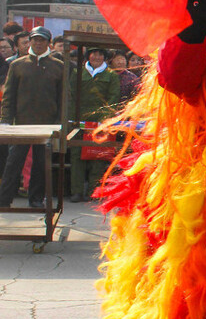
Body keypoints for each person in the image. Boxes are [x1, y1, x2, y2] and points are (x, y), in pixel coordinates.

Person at [0, 26, 64, 208]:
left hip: (47, 125)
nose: (37, 43)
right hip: (21, 124)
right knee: (13, 163)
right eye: (34, 39)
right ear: (30, 41)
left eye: (42, 40)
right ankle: (4, 199)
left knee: (41, 164)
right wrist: (5, 120)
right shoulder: (17, 65)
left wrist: (59, 123)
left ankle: (36, 199)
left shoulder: (58, 67)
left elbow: (62, 98)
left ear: (48, 43)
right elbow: (9, 96)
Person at [70, 47, 121, 202]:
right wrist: (72, 119)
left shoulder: (111, 75)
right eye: (94, 54)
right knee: (76, 155)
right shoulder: (77, 73)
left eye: (100, 54)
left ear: (105, 57)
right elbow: (71, 95)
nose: (97, 57)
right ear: (88, 56)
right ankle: (76, 191)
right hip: (80, 119)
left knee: (98, 155)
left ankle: (94, 190)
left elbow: (114, 98)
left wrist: (105, 119)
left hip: (100, 120)